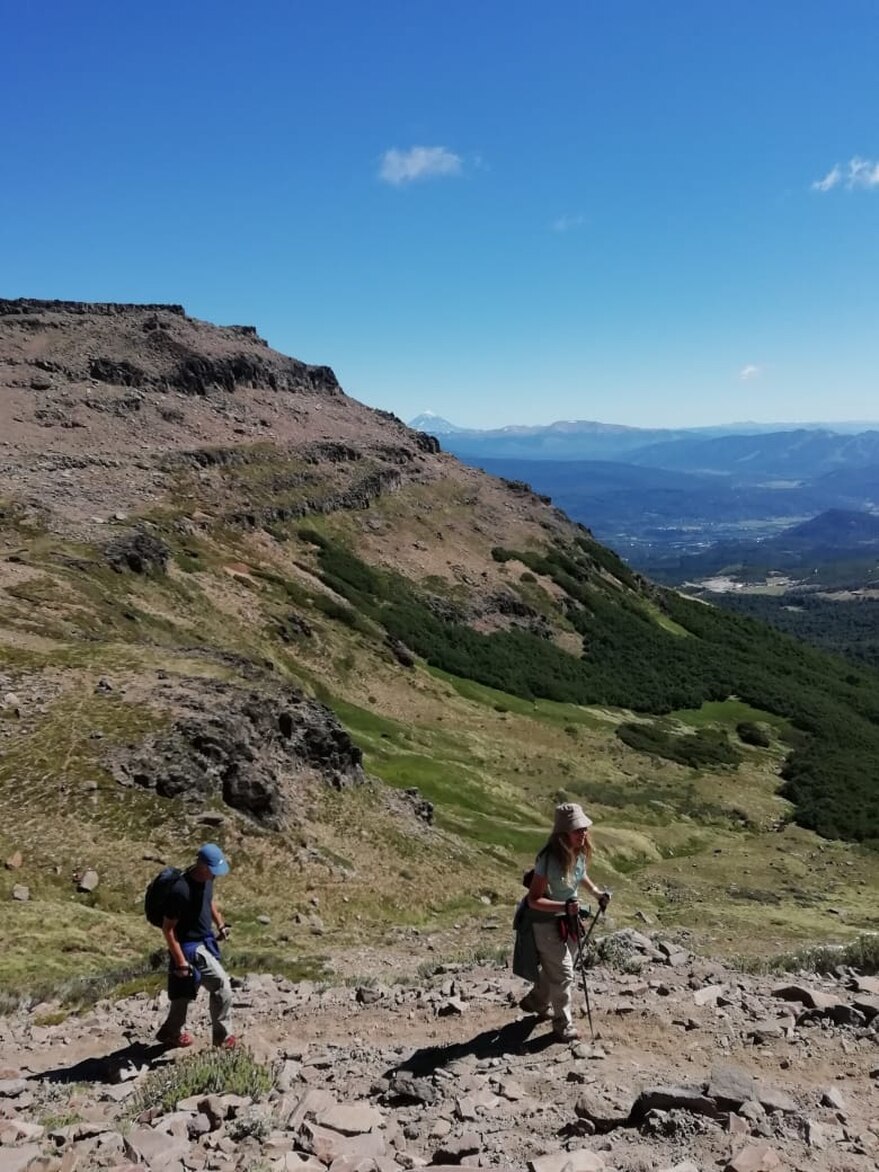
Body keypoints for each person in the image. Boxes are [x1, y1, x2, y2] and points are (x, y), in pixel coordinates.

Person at [515, 802, 610, 1042]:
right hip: (546, 922)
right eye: (578, 830)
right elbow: (534, 899)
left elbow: (580, 875)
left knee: (557, 969)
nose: (583, 833)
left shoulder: (577, 852)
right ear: (563, 833)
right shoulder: (548, 858)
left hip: (568, 920)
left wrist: (597, 894)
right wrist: (563, 907)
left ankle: (536, 1001)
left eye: (584, 829)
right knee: (565, 972)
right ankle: (563, 1025)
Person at [156, 843, 236, 1049]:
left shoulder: (208, 879)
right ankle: (223, 1038)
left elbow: (208, 901)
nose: (215, 874)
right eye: (212, 869)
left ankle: (170, 1032)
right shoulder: (180, 890)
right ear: (201, 865)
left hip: (204, 940)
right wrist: (181, 961)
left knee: (183, 992)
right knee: (221, 984)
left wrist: (220, 924)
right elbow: (168, 929)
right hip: (190, 947)